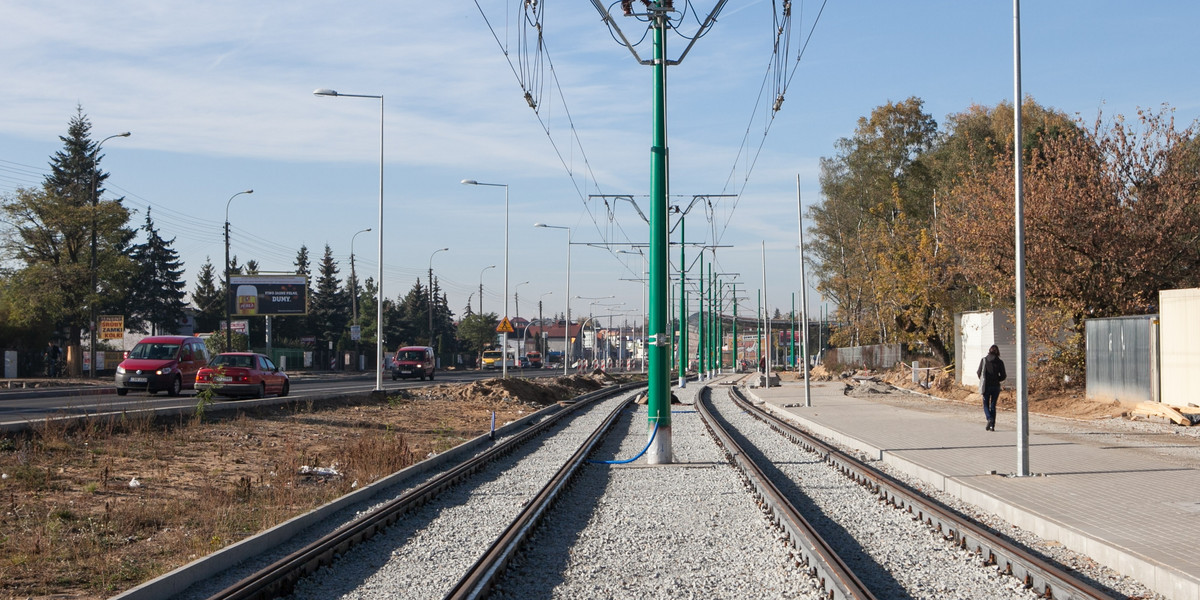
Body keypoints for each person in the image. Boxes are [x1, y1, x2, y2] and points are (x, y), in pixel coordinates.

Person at [976, 344, 1007, 431]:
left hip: (986, 386)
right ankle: (992, 426)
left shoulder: (984, 360)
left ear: (989, 351)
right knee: (993, 405)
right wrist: (997, 379)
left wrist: (983, 380)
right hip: (996, 386)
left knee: (985, 404)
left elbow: (979, 372)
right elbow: (1004, 375)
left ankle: (989, 418)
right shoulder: (1000, 362)